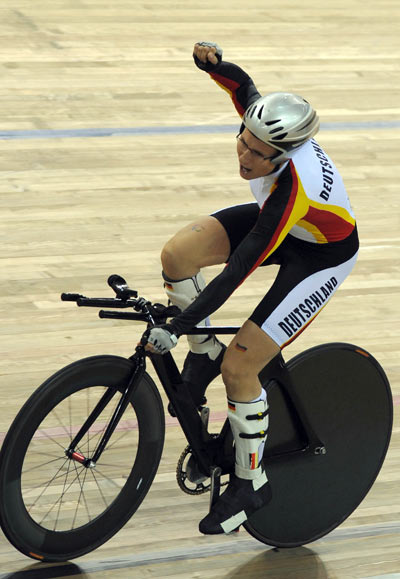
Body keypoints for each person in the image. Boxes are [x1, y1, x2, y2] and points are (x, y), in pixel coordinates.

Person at [142, 41, 359, 535]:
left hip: (319, 255)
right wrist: (213, 66)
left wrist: (177, 324)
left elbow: (239, 269)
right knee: (178, 256)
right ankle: (203, 354)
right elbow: (243, 88)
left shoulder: (291, 190)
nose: (246, 156)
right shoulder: (261, 124)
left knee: (241, 365)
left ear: (283, 158)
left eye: (260, 156)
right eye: (244, 141)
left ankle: (251, 481)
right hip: (290, 230)